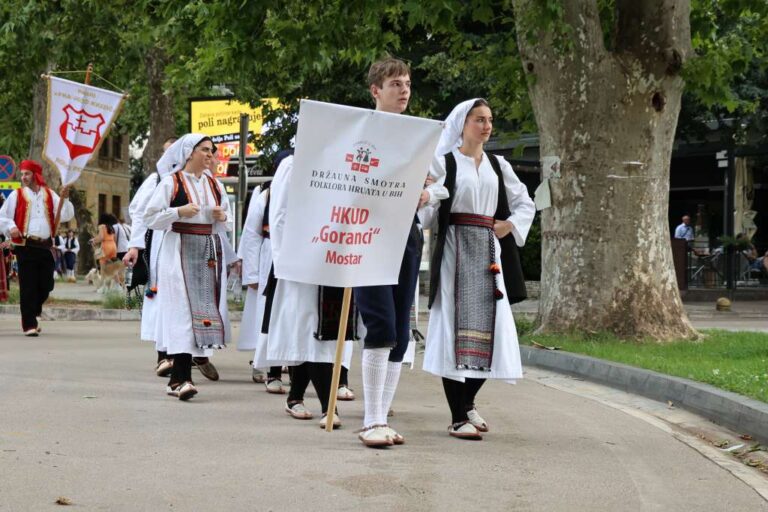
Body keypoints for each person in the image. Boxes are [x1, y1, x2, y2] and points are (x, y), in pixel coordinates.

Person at [422, 99, 535, 439]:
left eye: (489, 120)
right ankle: (459, 416)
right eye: (478, 119)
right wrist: (426, 195)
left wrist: (509, 225)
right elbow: (428, 212)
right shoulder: (444, 162)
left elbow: (524, 201)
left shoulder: (498, 165)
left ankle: (468, 402)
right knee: (455, 330)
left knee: (493, 329)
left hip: (487, 251)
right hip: (455, 249)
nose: (486, 126)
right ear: (462, 123)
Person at [352, 57, 446, 447]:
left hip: (405, 233)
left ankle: (382, 418)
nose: (404, 90)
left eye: (407, 83)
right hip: (368, 233)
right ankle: (372, 420)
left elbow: (440, 185)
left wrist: (426, 193)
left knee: (402, 334)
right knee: (381, 324)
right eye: (395, 84)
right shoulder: (358, 131)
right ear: (376, 90)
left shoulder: (421, 135)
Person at [259, 153, 357, 427]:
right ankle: (328, 407)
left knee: (321, 331)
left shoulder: (342, 164)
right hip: (301, 260)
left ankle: (295, 396)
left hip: (333, 257)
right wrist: (284, 262)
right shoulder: (293, 164)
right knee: (310, 329)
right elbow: (279, 216)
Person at [144, 134, 232, 400]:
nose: (210, 154)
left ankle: (178, 379)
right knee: (182, 312)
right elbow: (150, 217)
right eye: (204, 149)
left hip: (206, 253)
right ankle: (181, 378)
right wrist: (178, 212)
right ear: (189, 153)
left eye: (211, 150)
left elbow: (227, 221)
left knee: (199, 312)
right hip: (177, 251)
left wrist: (222, 217)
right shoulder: (172, 182)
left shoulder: (215, 185)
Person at [0, 159, 73, 335]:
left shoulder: (50, 194)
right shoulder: (16, 195)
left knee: (47, 284)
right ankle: (29, 325)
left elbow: (66, 214)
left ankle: (35, 311)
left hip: (45, 246)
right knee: (28, 286)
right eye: (22, 174)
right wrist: (11, 227)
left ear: (36, 175)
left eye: (27, 174)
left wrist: (66, 198)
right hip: (25, 246)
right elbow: (2, 216)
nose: (23, 177)